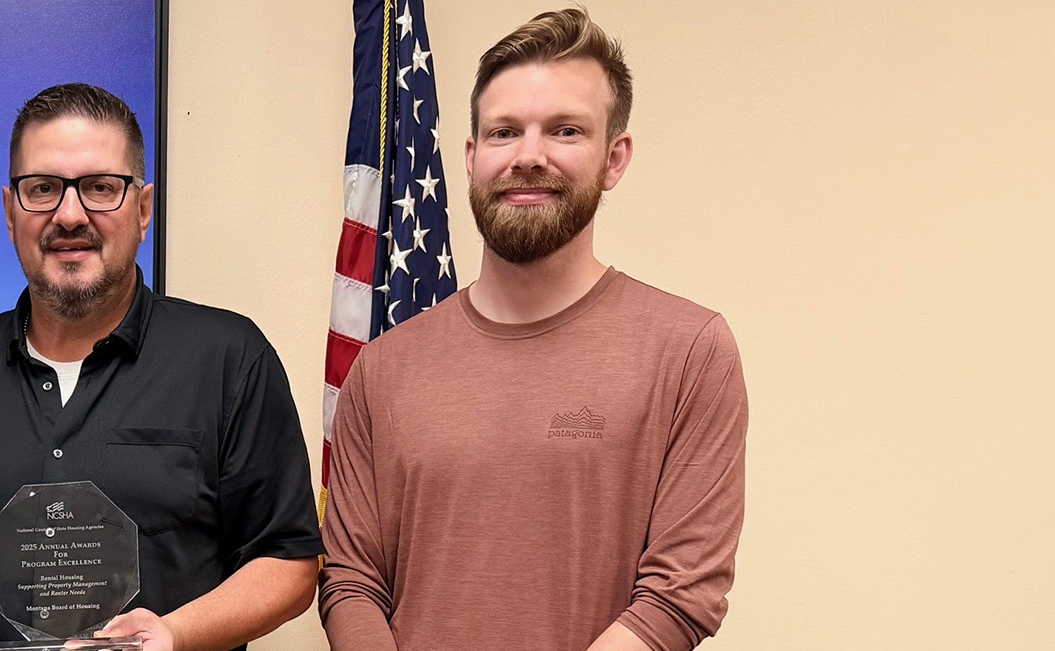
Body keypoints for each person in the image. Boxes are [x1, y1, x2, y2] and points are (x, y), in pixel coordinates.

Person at [320, 9, 749, 651]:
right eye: (503, 132)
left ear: (615, 157)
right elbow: (351, 579)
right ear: (470, 157)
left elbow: (680, 594)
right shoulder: (382, 368)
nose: (528, 156)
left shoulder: (690, 351)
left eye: (565, 130)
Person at [0, 83, 321, 651]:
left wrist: (174, 634)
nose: (70, 215)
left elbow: (288, 562)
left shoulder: (229, 358)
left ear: (143, 209)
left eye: (99, 188)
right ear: (9, 210)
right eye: (42, 189)